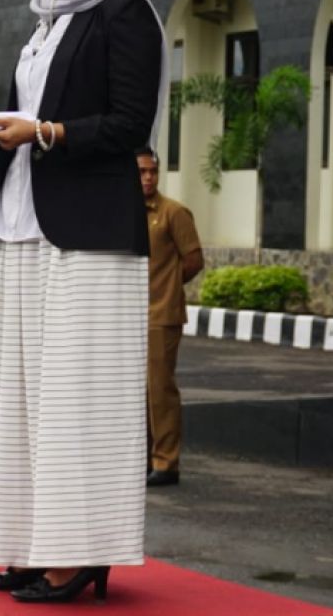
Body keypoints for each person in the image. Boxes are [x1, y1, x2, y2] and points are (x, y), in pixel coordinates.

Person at [0, 0, 166, 604]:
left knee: (78, 402)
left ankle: (79, 553)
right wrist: (2, 128)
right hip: (21, 227)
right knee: (21, 402)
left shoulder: (123, 14)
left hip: (88, 236)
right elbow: (37, 114)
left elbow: (127, 127)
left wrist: (44, 132)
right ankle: (28, 547)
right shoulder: (45, 23)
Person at [136, 147, 203, 487]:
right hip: (128, 317)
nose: (148, 177)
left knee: (159, 390)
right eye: (142, 171)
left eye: (152, 171)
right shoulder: (125, 212)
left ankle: (166, 462)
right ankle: (142, 457)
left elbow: (193, 259)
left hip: (161, 314)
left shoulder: (174, 213)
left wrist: (169, 287)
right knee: (134, 391)